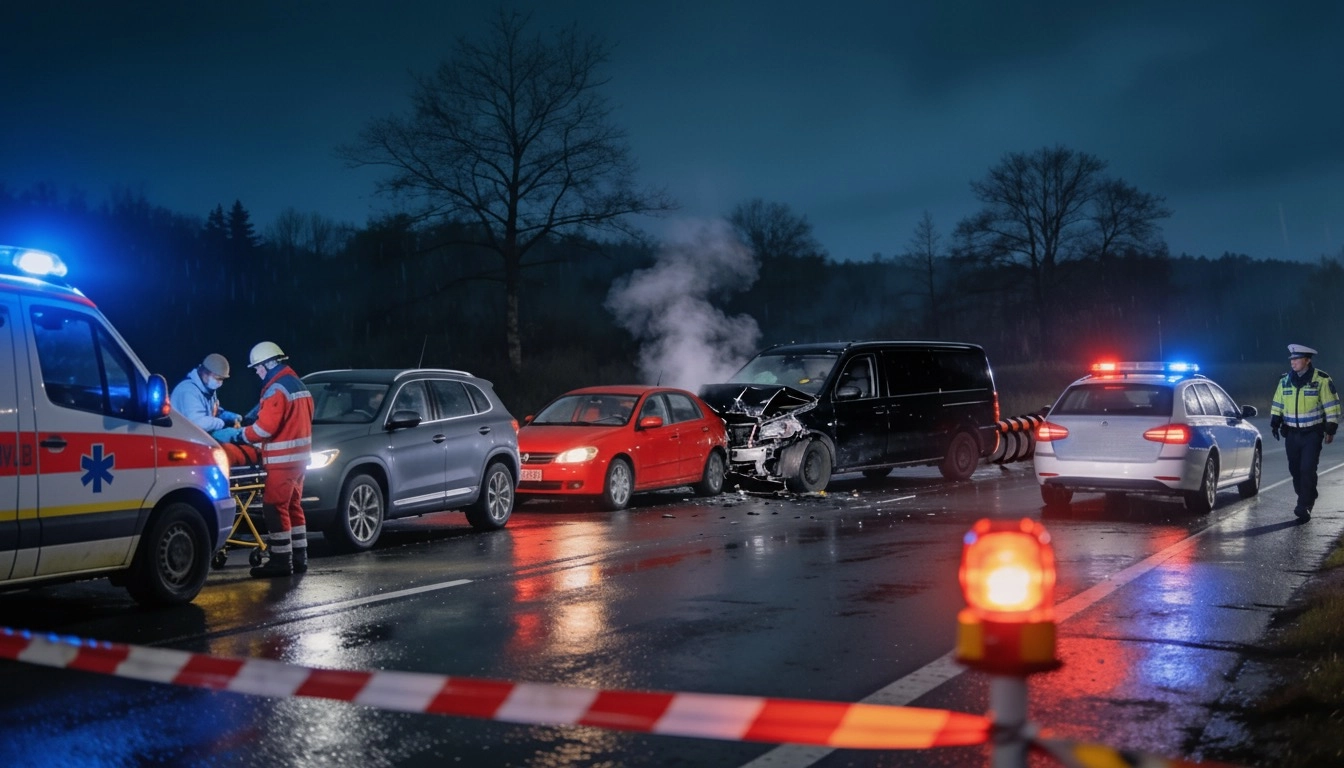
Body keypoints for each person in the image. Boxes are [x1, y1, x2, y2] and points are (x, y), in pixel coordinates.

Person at [237, 341, 314, 577]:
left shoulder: (276, 389)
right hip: (300, 460)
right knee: (293, 507)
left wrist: (240, 434)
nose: (257, 372)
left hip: (282, 461)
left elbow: (264, 429)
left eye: (258, 367)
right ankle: (299, 558)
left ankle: (281, 561)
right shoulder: (298, 385)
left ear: (269, 364)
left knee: (273, 507)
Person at [1269, 343, 1341, 521]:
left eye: (1296, 359)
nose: (1292, 363)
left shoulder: (1321, 380)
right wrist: (1275, 421)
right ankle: (1308, 495)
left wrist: (1330, 427)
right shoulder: (1284, 380)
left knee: (1307, 469)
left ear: (1307, 360)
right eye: (1291, 359)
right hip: (1291, 434)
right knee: (1295, 470)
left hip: (1312, 434)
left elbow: (1331, 405)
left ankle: (1304, 506)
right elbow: (1278, 402)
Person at [170, 353, 243, 437]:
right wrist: (221, 423)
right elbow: (198, 422)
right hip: (182, 439)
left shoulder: (207, 388)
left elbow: (212, 410)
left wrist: (227, 416)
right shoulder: (188, 390)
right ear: (205, 373)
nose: (220, 383)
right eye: (218, 378)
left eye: (222, 379)